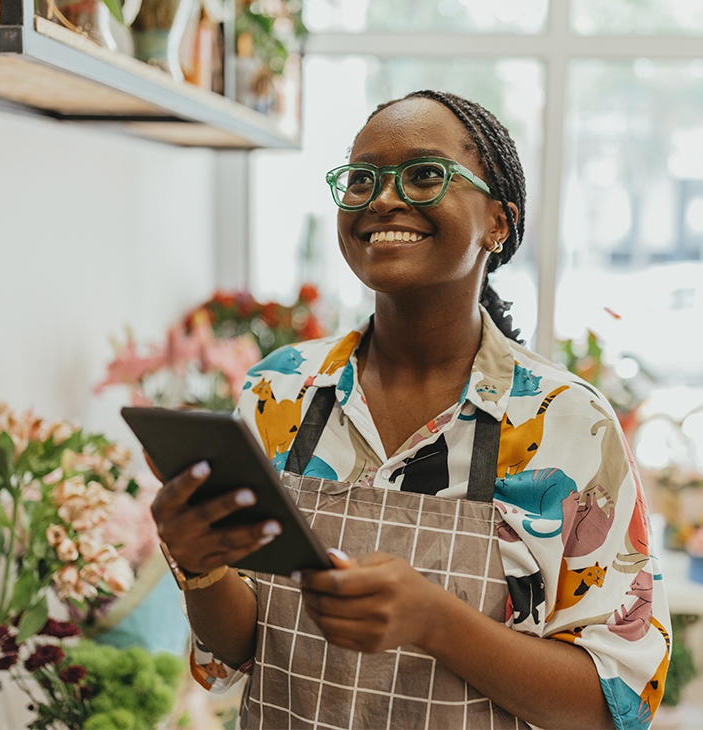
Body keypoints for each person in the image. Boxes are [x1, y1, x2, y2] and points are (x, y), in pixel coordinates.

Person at [151, 90, 671, 730]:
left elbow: (612, 704)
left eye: (425, 175)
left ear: (498, 223)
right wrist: (201, 568)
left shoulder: (567, 423)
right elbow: (245, 650)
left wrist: (435, 619)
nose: (383, 199)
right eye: (362, 179)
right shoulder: (278, 391)